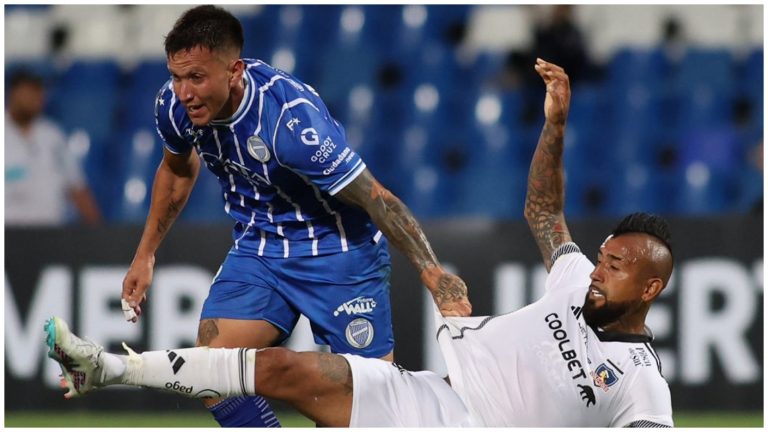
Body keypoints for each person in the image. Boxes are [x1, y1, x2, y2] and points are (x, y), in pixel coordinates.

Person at [46, 59, 674, 427]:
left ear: (651, 287)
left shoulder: (641, 383)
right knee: (278, 369)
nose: (597, 270)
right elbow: (543, 209)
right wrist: (556, 124)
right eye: (602, 256)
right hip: (432, 397)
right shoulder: (573, 281)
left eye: (615, 266)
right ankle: (108, 368)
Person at [119, 5, 470, 427]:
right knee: (210, 374)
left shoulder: (291, 123)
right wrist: (145, 254)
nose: (184, 92)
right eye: (176, 77)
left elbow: (376, 198)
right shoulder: (174, 107)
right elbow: (176, 172)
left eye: (196, 78)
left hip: (339, 250)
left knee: (368, 410)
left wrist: (435, 276)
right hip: (261, 244)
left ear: (233, 71)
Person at [5, 69, 102, 226]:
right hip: (9, 234)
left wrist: (98, 229)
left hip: (50, 234)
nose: (35, 99)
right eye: (28, 93)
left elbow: (76, 186)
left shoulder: (52, 136)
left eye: (38, 94)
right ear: (13, 94)